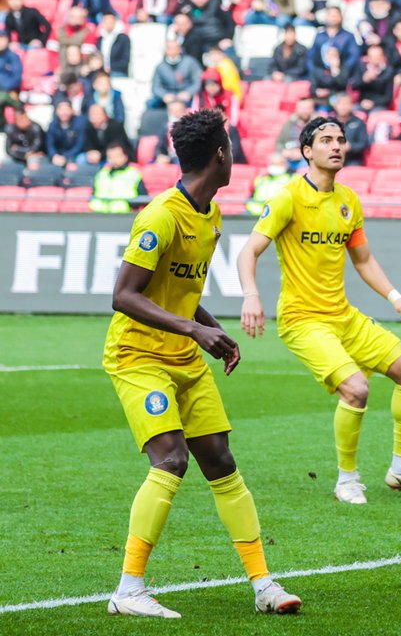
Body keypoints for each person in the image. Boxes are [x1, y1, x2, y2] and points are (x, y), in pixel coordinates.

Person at [103, 108, 302, 619]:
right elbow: (124, 296)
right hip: (137, 355)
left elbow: (182, 291)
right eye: (231, 145)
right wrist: (195, 329)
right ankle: (128, 590)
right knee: (171, 460)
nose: (234, 153)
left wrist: (211, 329)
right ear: (220, 154)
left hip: (185, 354)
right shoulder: (159, 216)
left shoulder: (209, 214)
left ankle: (263, 585)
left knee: (220, 461)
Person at [238, 116, 401, 506]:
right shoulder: (287, 198)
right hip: (303, 320)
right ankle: (347, 479)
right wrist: (251, 294)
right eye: (325, 140)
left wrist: (394, 296)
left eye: (340, 139)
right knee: (356, 388)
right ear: (307, 151)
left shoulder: (348, 201)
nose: (336, 146)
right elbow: (248, 251)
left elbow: (364, 260)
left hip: (343, 316)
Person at [89, 142, 146, 213]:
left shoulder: (134, 174)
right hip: (98, 215)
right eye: (110, 157)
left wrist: (132, 206)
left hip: (123, 216)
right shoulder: (101, 174)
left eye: (117, 156)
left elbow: (143, 198)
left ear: (125, 157)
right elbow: (93, 195)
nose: (113, 160)